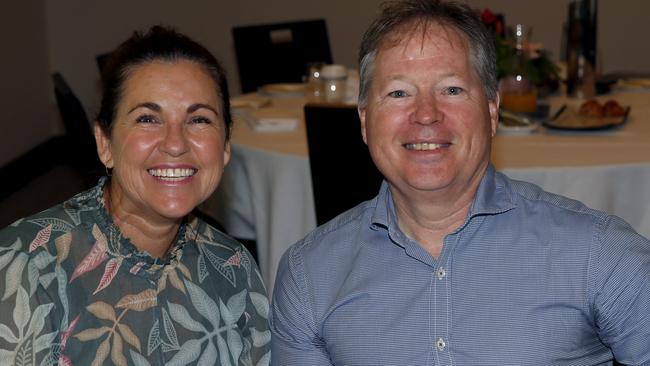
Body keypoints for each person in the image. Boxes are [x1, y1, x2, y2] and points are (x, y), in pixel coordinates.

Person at [270, 0, 650, 364]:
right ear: (365, 122)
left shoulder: (597, 255)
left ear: (492, 110)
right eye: (399, 93)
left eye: (451, 89)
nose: (426, 115)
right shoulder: (311, 276)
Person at [0, 26, 270, 365]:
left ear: (226, 146)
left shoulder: (232, 266)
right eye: (147, 118)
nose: (175, 143)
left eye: (199, 119)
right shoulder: (23, 270)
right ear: (104, 143)